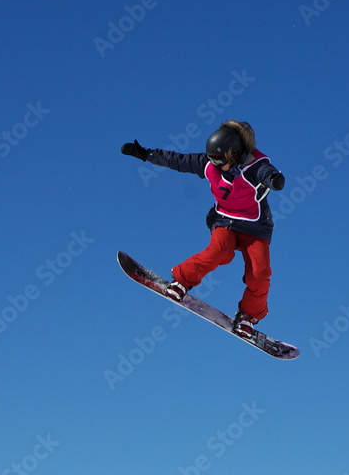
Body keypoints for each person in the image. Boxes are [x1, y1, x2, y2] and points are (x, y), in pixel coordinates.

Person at [121, 120, 285, 339]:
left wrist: (274, 180)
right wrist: (146, 154)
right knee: (219, 250)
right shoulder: (208, 163)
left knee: (260, 273)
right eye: (212, 159)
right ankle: (182, 280)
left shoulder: (255, 166)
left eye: (220, 159)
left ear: (235, 154)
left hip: (255, 227)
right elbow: (177, 160)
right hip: (225, 220)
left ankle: (248, 316)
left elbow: (267, 173)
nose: (215, 164)